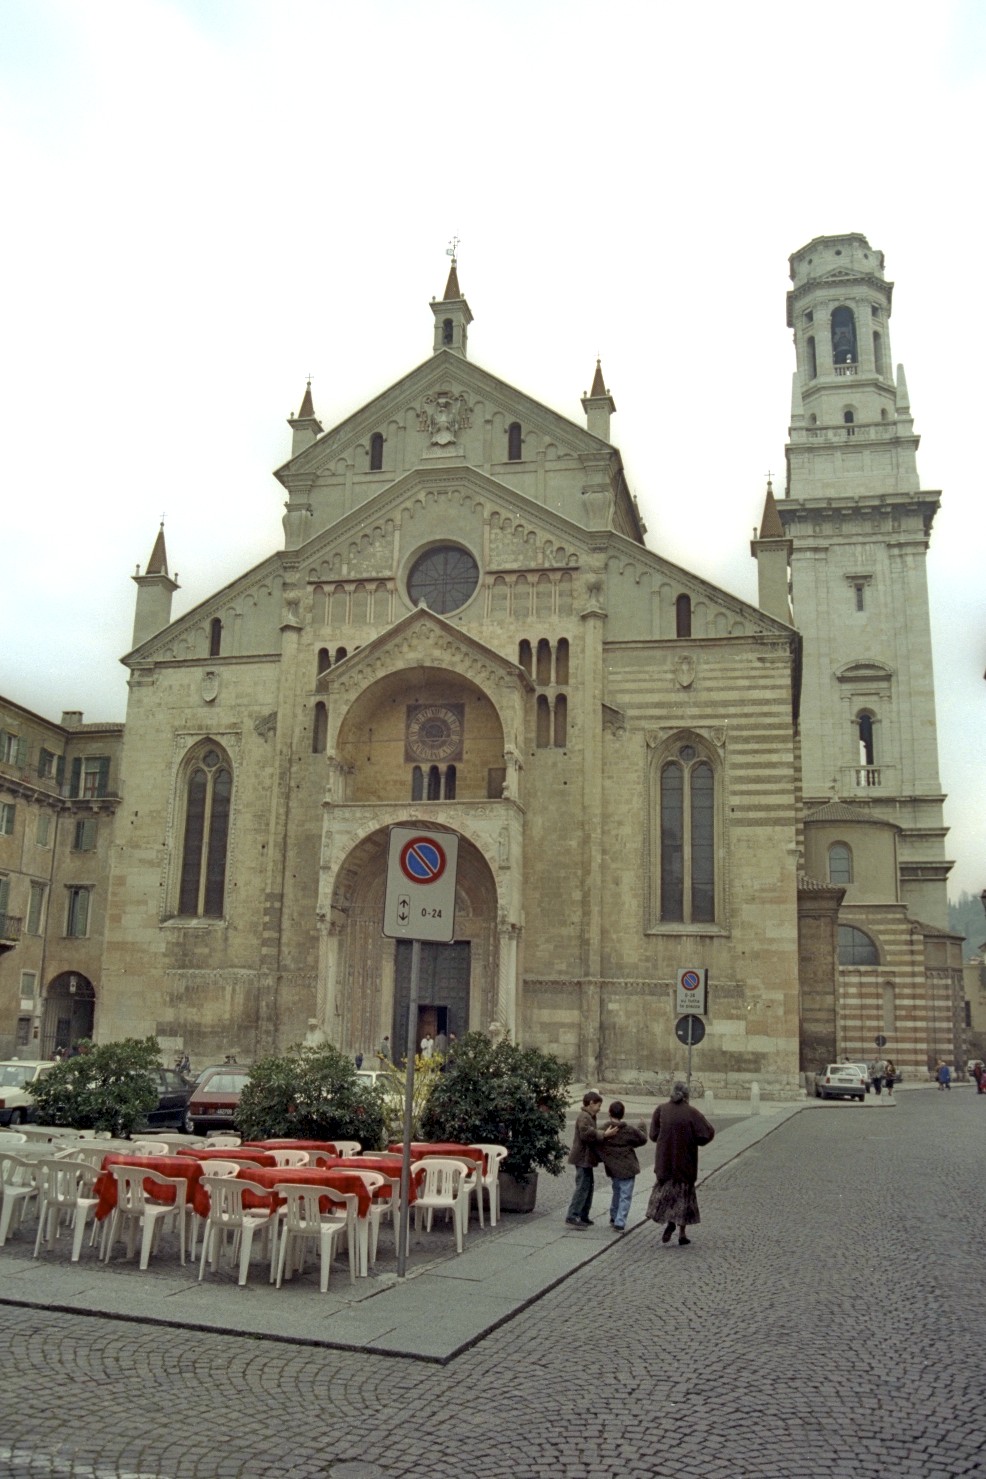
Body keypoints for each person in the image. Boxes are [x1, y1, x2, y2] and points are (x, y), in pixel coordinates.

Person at [647, 1081, 715, 1247]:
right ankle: (682, 1234)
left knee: (667, 1194)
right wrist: (693, 1140)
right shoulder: (692, 1113)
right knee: (684, 1198)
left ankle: (669, 1220)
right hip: (685, 1163)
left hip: (665, 1163)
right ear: (686, 1095)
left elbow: (653, 1135)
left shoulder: (661, 1110)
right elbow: (707, 1133)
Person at [565, 1092, 617, 1229]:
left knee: (588, 1186)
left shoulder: (589, 1116)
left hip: (586, 1158)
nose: (600, 1108)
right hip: (582, 1157)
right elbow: (585, 1134)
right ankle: (572, 1215)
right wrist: (604, 1134)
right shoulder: (584, 1116)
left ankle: (583, 1215)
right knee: (582, 1186)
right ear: (591, 1103)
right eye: (599, 1105)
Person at [595, 1100, 647, 1232]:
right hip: (628, 1167)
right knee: (625, 1195)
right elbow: (642, 1139)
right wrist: (642, 1126)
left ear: (609, 1113)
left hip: (613, 1168)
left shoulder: (604, 1128)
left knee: (617, 1192)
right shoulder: (629, 1130)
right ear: (623, 1114)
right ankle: (620, 1221)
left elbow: (596, 1139)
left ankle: (613, 1216)